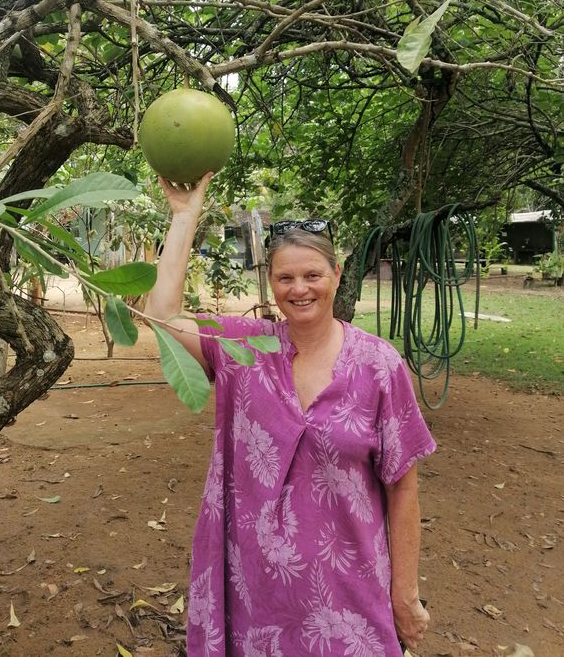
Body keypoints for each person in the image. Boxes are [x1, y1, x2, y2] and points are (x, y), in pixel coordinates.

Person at [145, 173, 436, 657]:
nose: (299, 289)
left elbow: (403, 486)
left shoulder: (380, 366)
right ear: (271, 282)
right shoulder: (244, 349)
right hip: (256, 593)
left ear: (337, 275)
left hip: (349, 595)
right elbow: (161, 315)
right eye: (285, 278)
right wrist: (183, 216)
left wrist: (404, 594)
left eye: (312, 275)